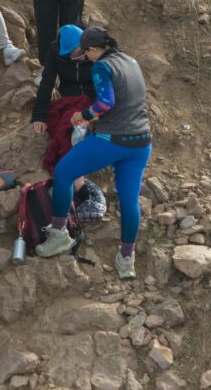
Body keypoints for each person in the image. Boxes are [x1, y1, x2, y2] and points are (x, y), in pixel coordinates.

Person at [34, 27, 152, 282]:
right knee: (130, 200)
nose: (85, 59)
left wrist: (83, 115)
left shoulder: (102, 67)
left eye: (85, 54)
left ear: (93, 49)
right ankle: (126, 259)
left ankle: (59, 235)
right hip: (141, 142)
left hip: (113, 139)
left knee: (64, 172)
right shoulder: (130, 61)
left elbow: (106, 103)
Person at [31, 24, 95, 175]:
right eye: (75, 55)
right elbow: (47, 82)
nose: (81, 57)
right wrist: (39, 116)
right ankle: (68, 167)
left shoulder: (93, 50)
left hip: (93, 97)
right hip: (69, 97)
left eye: (82, 52)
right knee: (61, 126)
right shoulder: (55, 50)